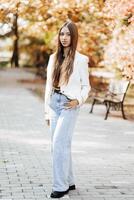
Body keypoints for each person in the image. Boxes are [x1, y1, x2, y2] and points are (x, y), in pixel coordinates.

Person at [44, 20, 90, 198]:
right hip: (54, 103)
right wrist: (46, 112)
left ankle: (60, 186)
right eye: (62, 34)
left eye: (68, 34)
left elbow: (87, 87)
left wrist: (78, 100)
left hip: (69, 106)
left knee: (59, 144)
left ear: (74, 36)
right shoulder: (53, 58)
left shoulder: (80, 60)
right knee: (62, 145)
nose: (64, 37)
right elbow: (48, 86)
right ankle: (69, 181)